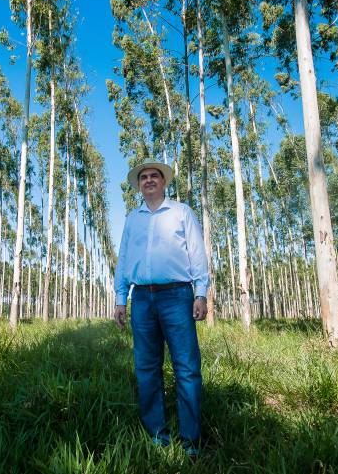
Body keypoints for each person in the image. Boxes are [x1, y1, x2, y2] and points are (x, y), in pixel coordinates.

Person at [113, 159, 209, 457]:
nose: (150, 179)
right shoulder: (132, 219)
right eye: (144, 177)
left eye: (155, 175)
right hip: (141, 299)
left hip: (177, 297)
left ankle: (191, 442)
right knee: (146, 368)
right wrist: (120, 298)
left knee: (187, 369)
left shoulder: (182, 212)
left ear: (164, 182)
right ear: (139, 184)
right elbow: (124, 260)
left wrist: (201, 293)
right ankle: (158, 436)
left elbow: (197, 253)